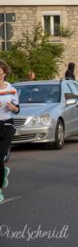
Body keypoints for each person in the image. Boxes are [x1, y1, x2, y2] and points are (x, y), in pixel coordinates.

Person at [0, 60, 20, 202]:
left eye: (0, 73)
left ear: (4, 73)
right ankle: (3, 172)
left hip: (6, 125)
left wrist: (13, 108)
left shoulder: (11, 89)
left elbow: (18, 109)